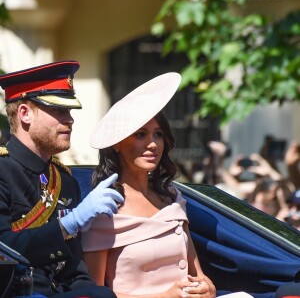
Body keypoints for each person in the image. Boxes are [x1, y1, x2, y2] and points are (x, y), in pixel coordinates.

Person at [81, 73, 254, 298]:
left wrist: (207, 288)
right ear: (116, 145)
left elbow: (198, 276)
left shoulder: (172, 198)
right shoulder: (103, 210)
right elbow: (94, 294)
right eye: (140, 134)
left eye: (158, 134)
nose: (152, 144)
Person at [0, 61, 124, 297]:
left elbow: (72, 269)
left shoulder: (64, 181)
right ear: (25, 114)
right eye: (58, 111)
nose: (70, 120)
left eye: (69, 111)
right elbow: (4, 249)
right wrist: (67, 224)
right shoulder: (2, 171)